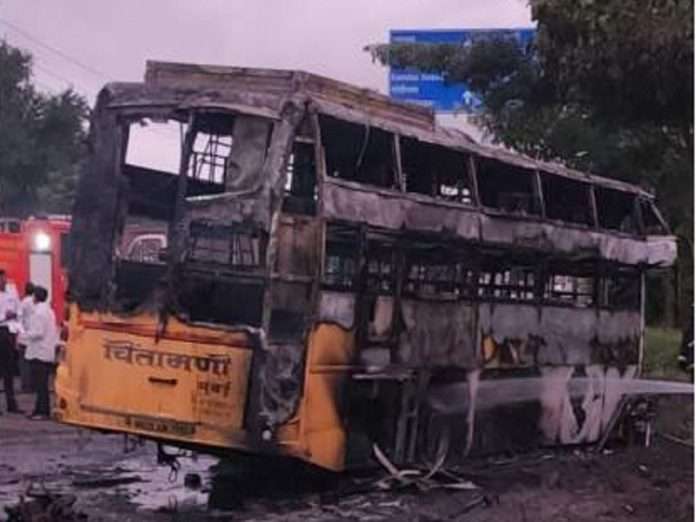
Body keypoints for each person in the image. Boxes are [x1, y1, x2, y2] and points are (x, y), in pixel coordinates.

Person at [22, 286, 58, 420]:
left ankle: (43, 411)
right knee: (41, 384)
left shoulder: (38, 313)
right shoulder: (48, 311)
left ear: (35, 297)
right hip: (46, 351)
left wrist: (23, 334)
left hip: (39, 352)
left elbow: (37, 332)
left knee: (41, 385)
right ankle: (38, 410)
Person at [0, 269, 21, 414]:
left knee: (9, 371)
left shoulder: (12, 291)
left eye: (4, 278)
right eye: (1, 279)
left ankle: (11, 405)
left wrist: (14, 315)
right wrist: (4, 316)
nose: (3, 281)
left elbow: (19, 310)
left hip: (9, 332)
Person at [17, 282, 35, 392]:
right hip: (33, 337)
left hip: (24, 337)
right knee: (32, 362)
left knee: (23, 363)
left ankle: (25, 386)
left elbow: (19, 319)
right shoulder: (35, 303)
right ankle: (32, 385)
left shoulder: (23, 302)